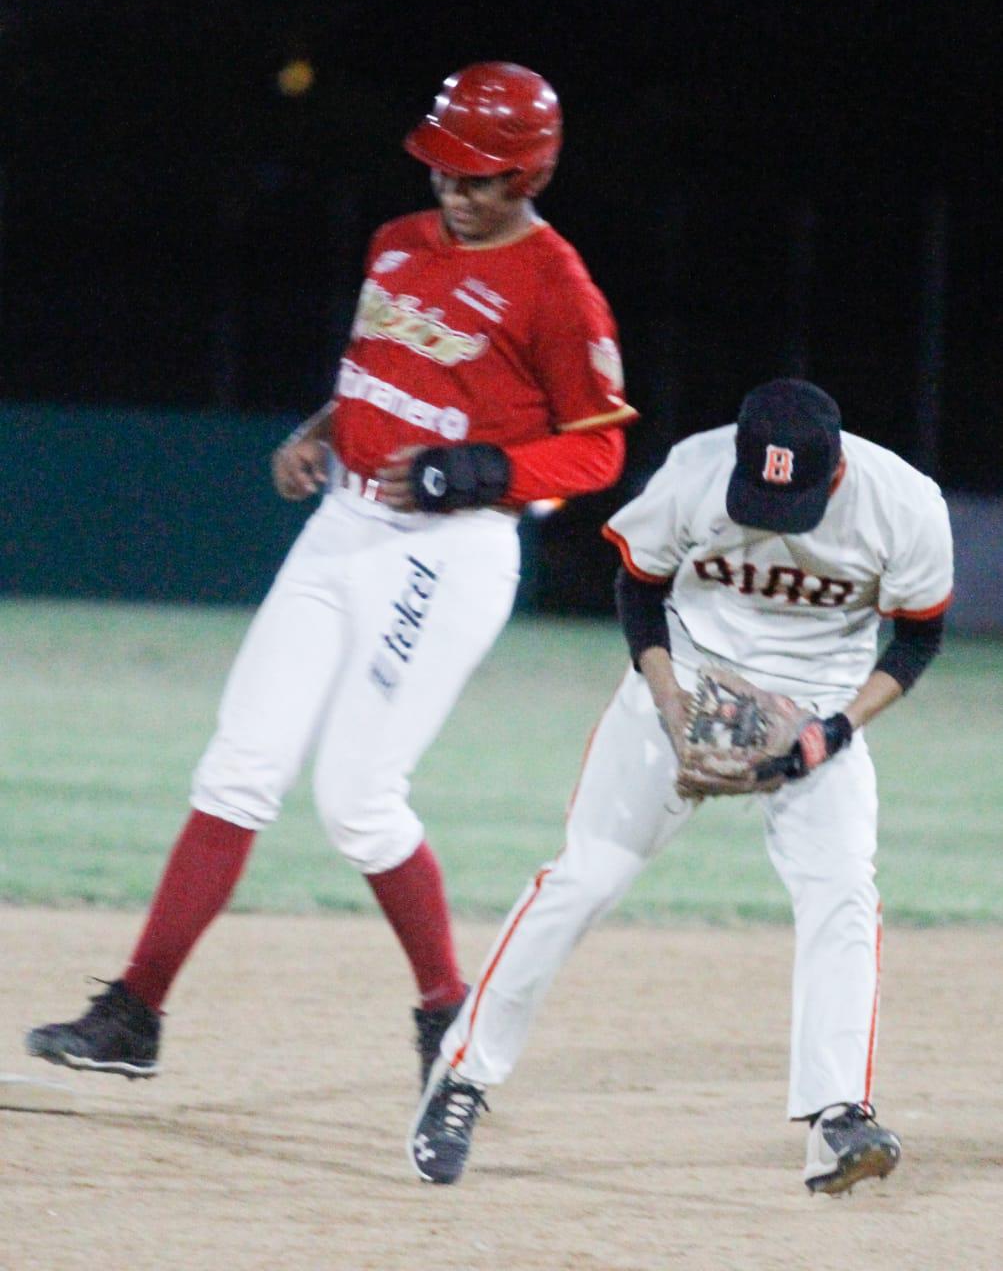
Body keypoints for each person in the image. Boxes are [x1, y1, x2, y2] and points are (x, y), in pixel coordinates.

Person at [25, 62, 637, 1087]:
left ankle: (447, 1012)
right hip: (339, 526)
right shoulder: (395, 242)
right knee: (236, 767)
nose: (456, 186)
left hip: (445, 550)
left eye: (481, 174)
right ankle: (135, 1011)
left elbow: (601, 447)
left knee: (357, 796)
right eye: (445, 164)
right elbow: (379, 372)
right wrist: (318, 429)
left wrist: (489, 469)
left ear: (530, 174)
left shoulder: (557, 287)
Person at [408, 378, 954, 1194]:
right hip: (687, 682)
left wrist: (830, 734)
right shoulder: (694, 473)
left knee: (841, 889)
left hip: (819, 706)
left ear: (833, 471)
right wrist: (668, 705)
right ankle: (459, 1082)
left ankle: (837, 1117)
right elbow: (640, 585)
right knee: (586, 875)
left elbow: (916, 640)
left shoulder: (904, 505)